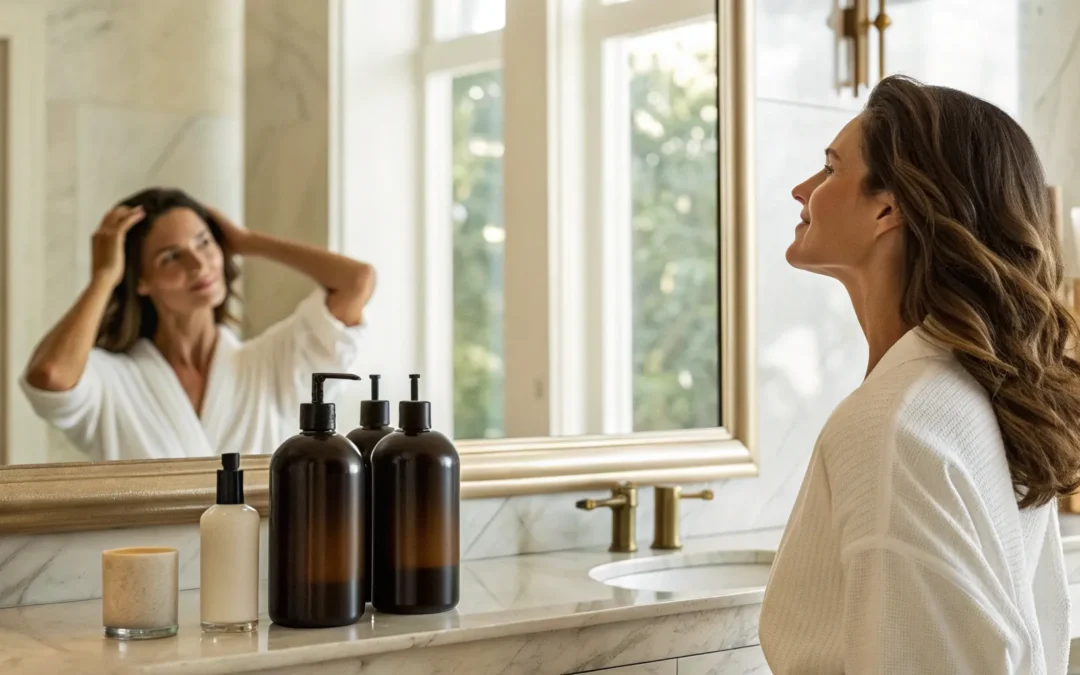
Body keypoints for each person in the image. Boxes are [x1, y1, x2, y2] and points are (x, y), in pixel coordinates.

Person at [759, 76, 1080, 674]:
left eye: (830, 170)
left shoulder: (893, 428)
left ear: (889, 207)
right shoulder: (978, 396)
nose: (802, 190)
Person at [22, 188, 375, 461]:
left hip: (266, 556)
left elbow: (357, 281)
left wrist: (249, 242)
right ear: (141, 281)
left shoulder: (272, 363)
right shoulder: (114, 381)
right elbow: (50, 375)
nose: (198, 264)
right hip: (151, 558)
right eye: (171, 256)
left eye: (204, 242)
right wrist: (104, 275)